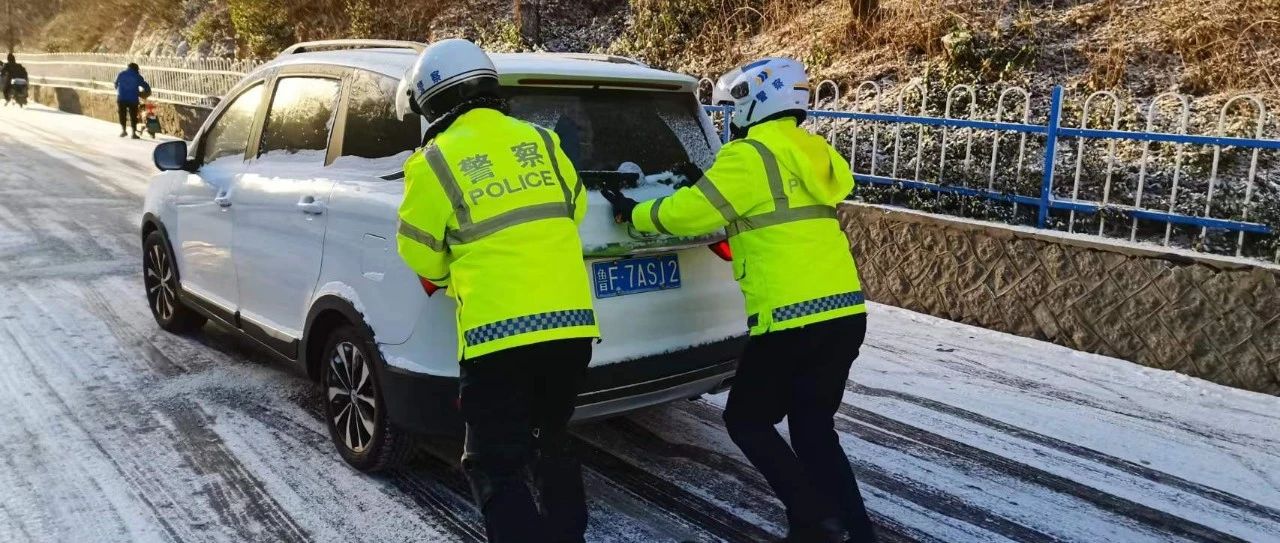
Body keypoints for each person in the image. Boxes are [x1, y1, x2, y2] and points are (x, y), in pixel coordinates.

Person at [601, 57, 876, 543]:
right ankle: (853, 530)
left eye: (737, 105)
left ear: (756, 101)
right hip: (843, 312)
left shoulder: (750, 156)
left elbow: (692, 213)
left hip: (790, 315)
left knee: (746, 420)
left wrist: (634, 212)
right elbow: (752, 202)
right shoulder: (811, 151)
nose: (734, 115)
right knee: (813, 428)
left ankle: (815, 518)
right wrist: (701, 180)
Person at [394, 39, 598, 543]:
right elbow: (575, 212)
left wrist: (452, 275)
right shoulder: (544, 142)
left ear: (432, 102)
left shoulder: (436, 162)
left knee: (493, 462)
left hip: (498, 335)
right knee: (551, 438)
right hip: (572, 327)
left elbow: (417, 250)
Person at [114, 62, 151, 138]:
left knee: (122, 114)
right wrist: (143, 93)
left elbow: (115, 84)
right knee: (133, 116)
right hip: (133, 99)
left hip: (121, 98)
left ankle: (124, 131)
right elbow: (146, 87)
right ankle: (133, 133)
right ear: (136, 69)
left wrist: (121, 90)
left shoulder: (121, 74)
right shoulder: (137, 76)